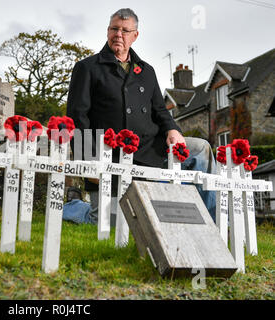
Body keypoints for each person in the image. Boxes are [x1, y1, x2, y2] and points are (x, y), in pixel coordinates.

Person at [65, 8, 216, 224]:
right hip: (111, 156)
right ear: (108, 31)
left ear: (135, 36)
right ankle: (73, 206)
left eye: (125, 30)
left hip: (150, 150)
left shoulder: (147, 71)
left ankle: (214, 222)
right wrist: (88, 162)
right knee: (109, 222)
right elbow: (77, 118)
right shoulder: (87, 68)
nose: (119, 34)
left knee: (200, 148)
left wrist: (173, 130)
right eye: (115, 29)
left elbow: (160, 111)